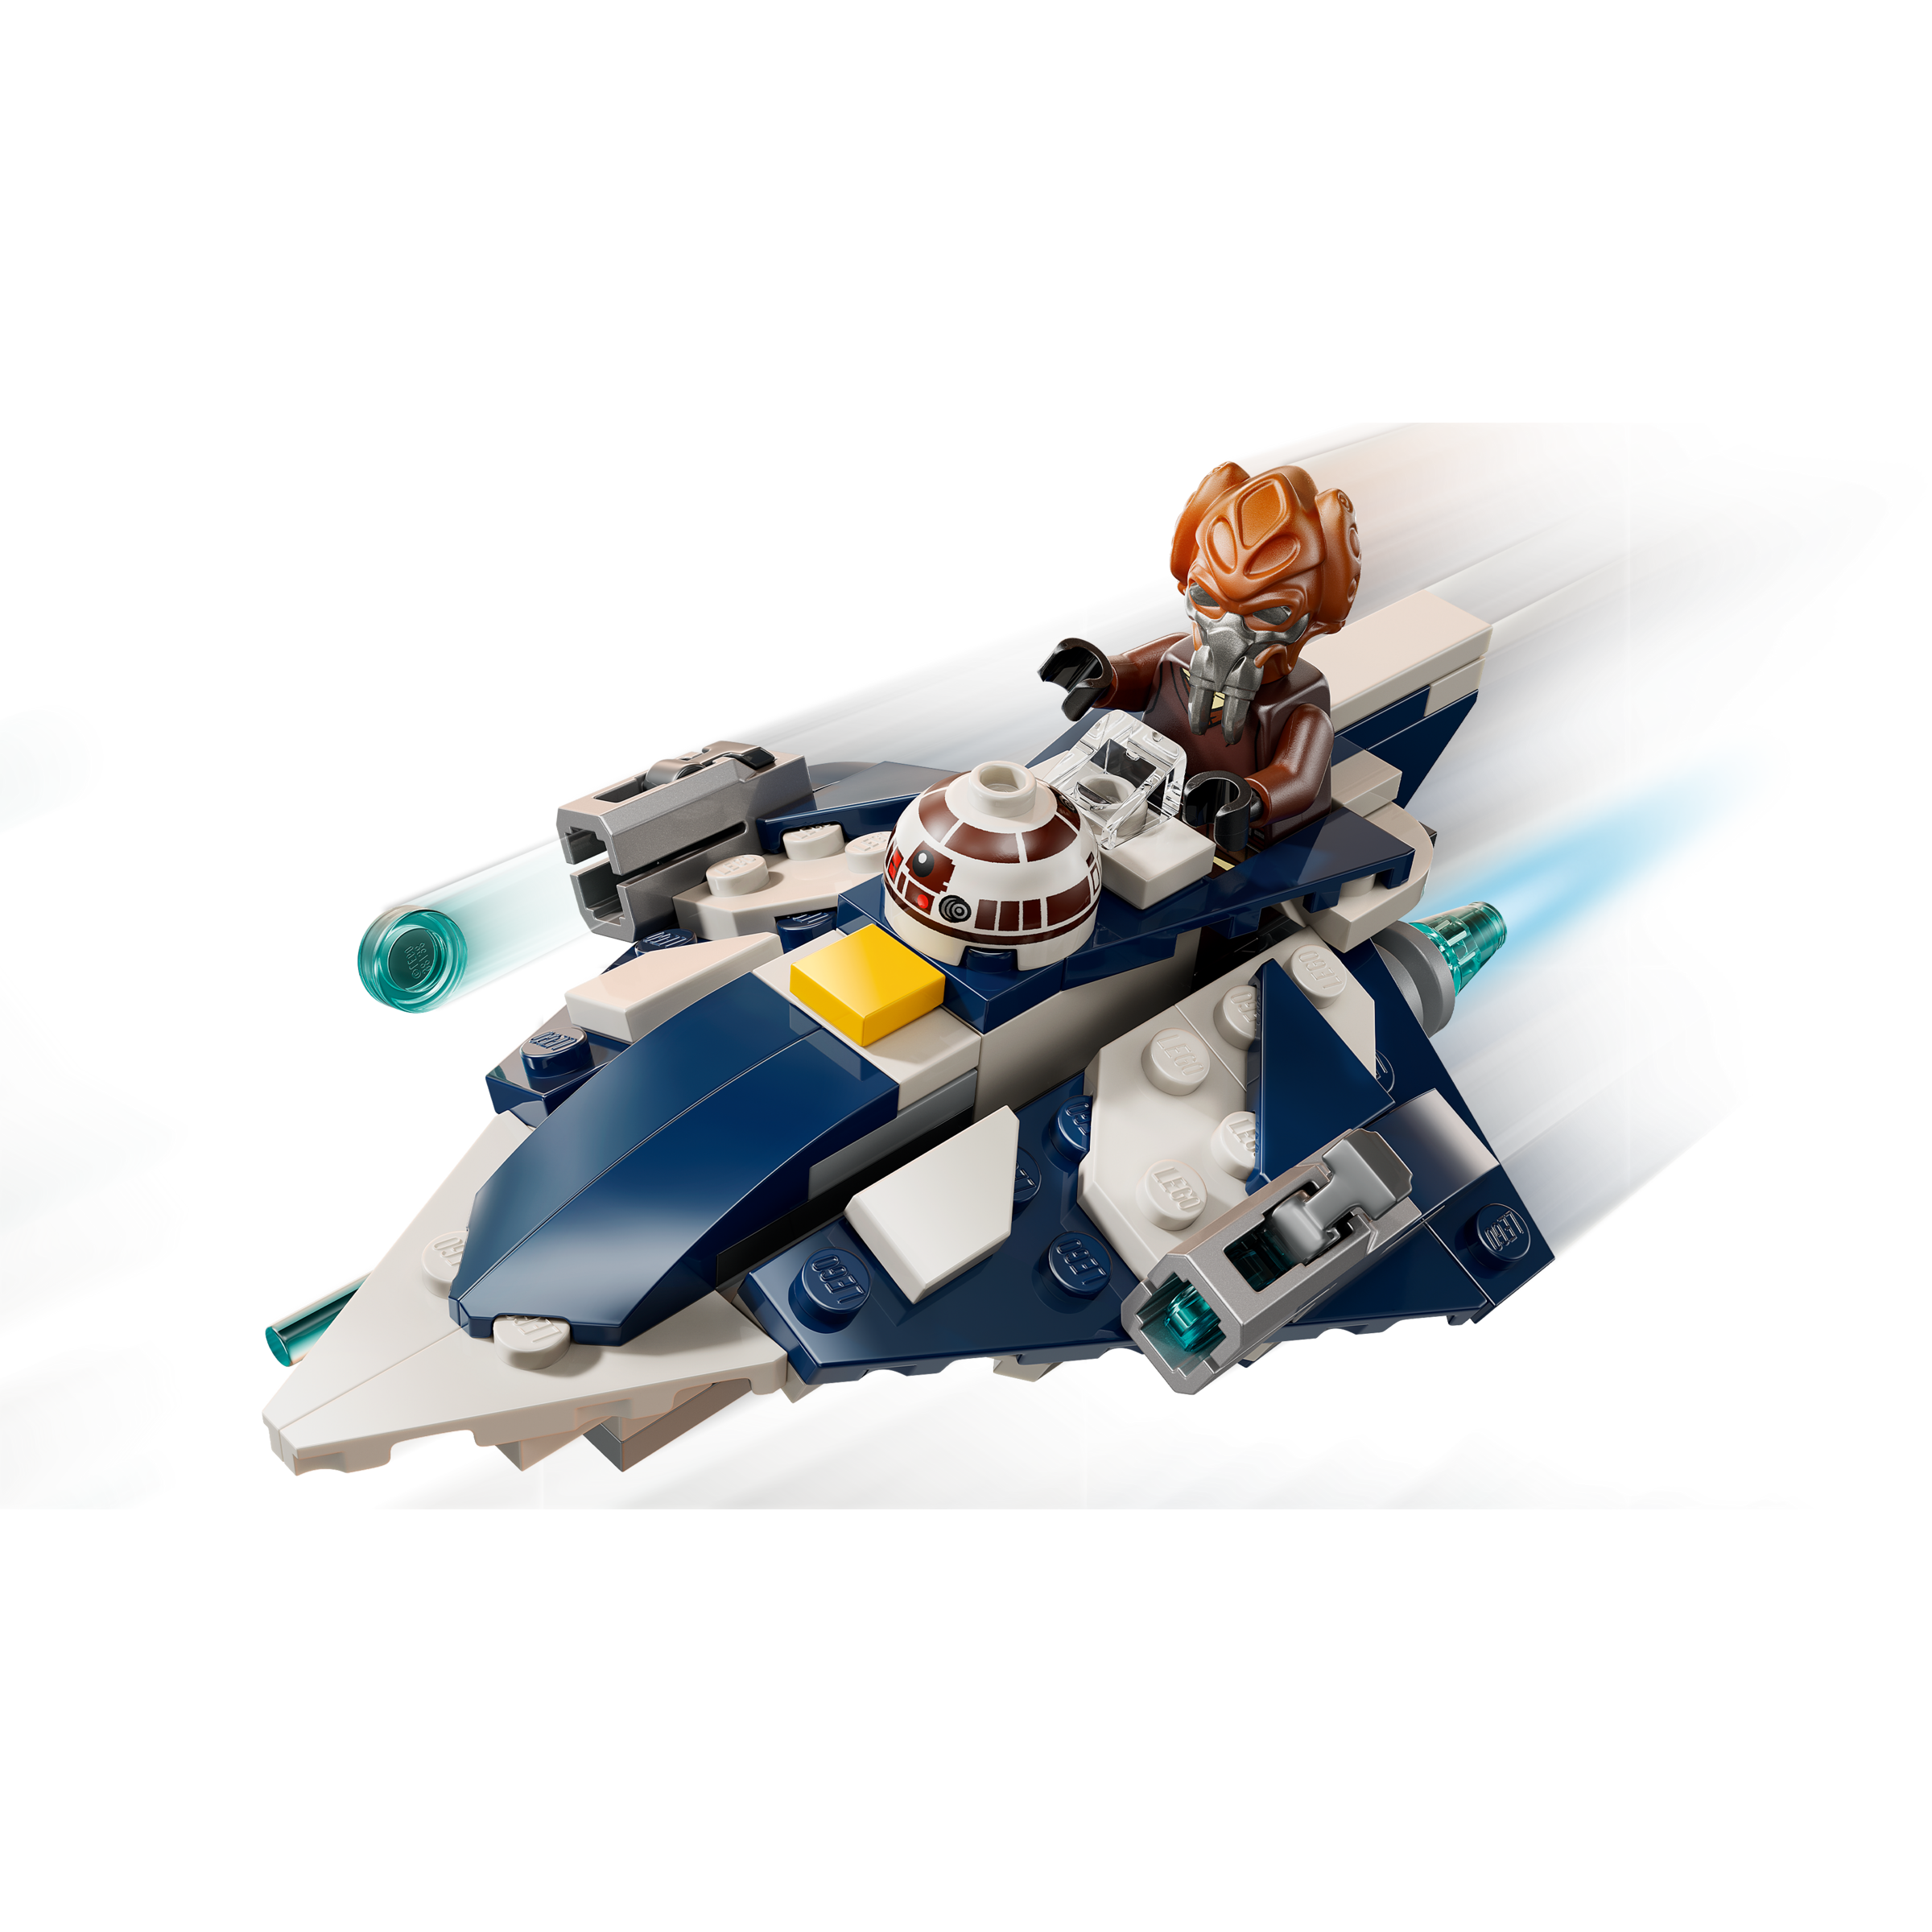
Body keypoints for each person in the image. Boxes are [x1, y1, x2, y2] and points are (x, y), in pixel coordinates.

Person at [1039, 462, 1360, 852]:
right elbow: (1133, 673)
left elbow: (1298, 777)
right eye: (1206, 598)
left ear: (1312, 620)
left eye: (1269, 613)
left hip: (1240, 839)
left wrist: (1250, 800)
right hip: (1144, 800)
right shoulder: (1176, 655)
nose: (1226, 637)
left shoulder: (1297, 706)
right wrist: (1100, 676)